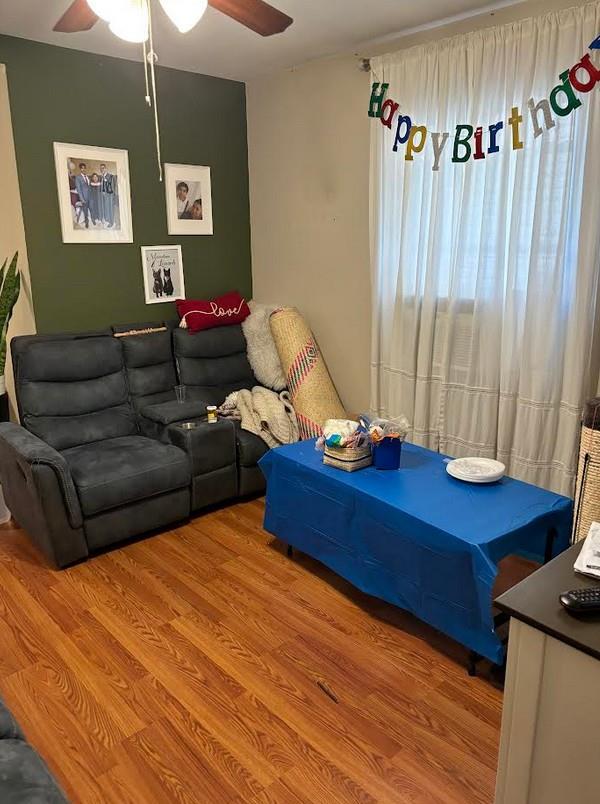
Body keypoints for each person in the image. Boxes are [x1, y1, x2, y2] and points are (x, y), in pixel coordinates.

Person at [100, 163, 117, 228]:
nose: (102, 169)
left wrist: (112, 196)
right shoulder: (102, 177)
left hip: (110, 196)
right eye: (101, 168)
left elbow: (113, 186)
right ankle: (108, 219)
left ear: (106, 169)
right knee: (106, 208)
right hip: (104, 196)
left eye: (103, 168)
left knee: (110, 209)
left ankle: (111, 222)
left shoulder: (110, 176)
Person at [75, 162, 91, 229]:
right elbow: (79, 189)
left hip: (90, 196)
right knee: (85, 210)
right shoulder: (78, 177)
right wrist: (82, 199)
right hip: (84, 197)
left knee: (92, 208)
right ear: (80, 169)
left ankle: (92, 219)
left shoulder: (87, 176)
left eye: (84, 168)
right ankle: (86, 222)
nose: (83, 170)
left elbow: (89, 186)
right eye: (82, 168)